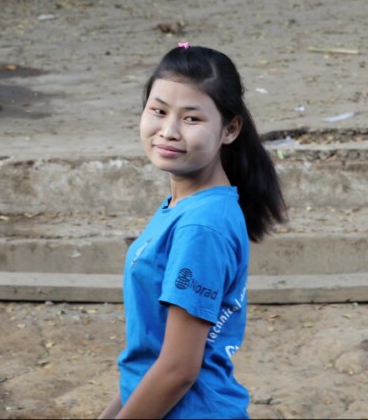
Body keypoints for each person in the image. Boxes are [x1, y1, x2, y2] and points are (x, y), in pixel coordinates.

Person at [99, 44, 286, 419]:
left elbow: (177, 371)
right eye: (158, 111)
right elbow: (151, 358)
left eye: (191, 119)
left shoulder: (202, 226)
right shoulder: (184, 206)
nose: (168, 131)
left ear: (230, 130)